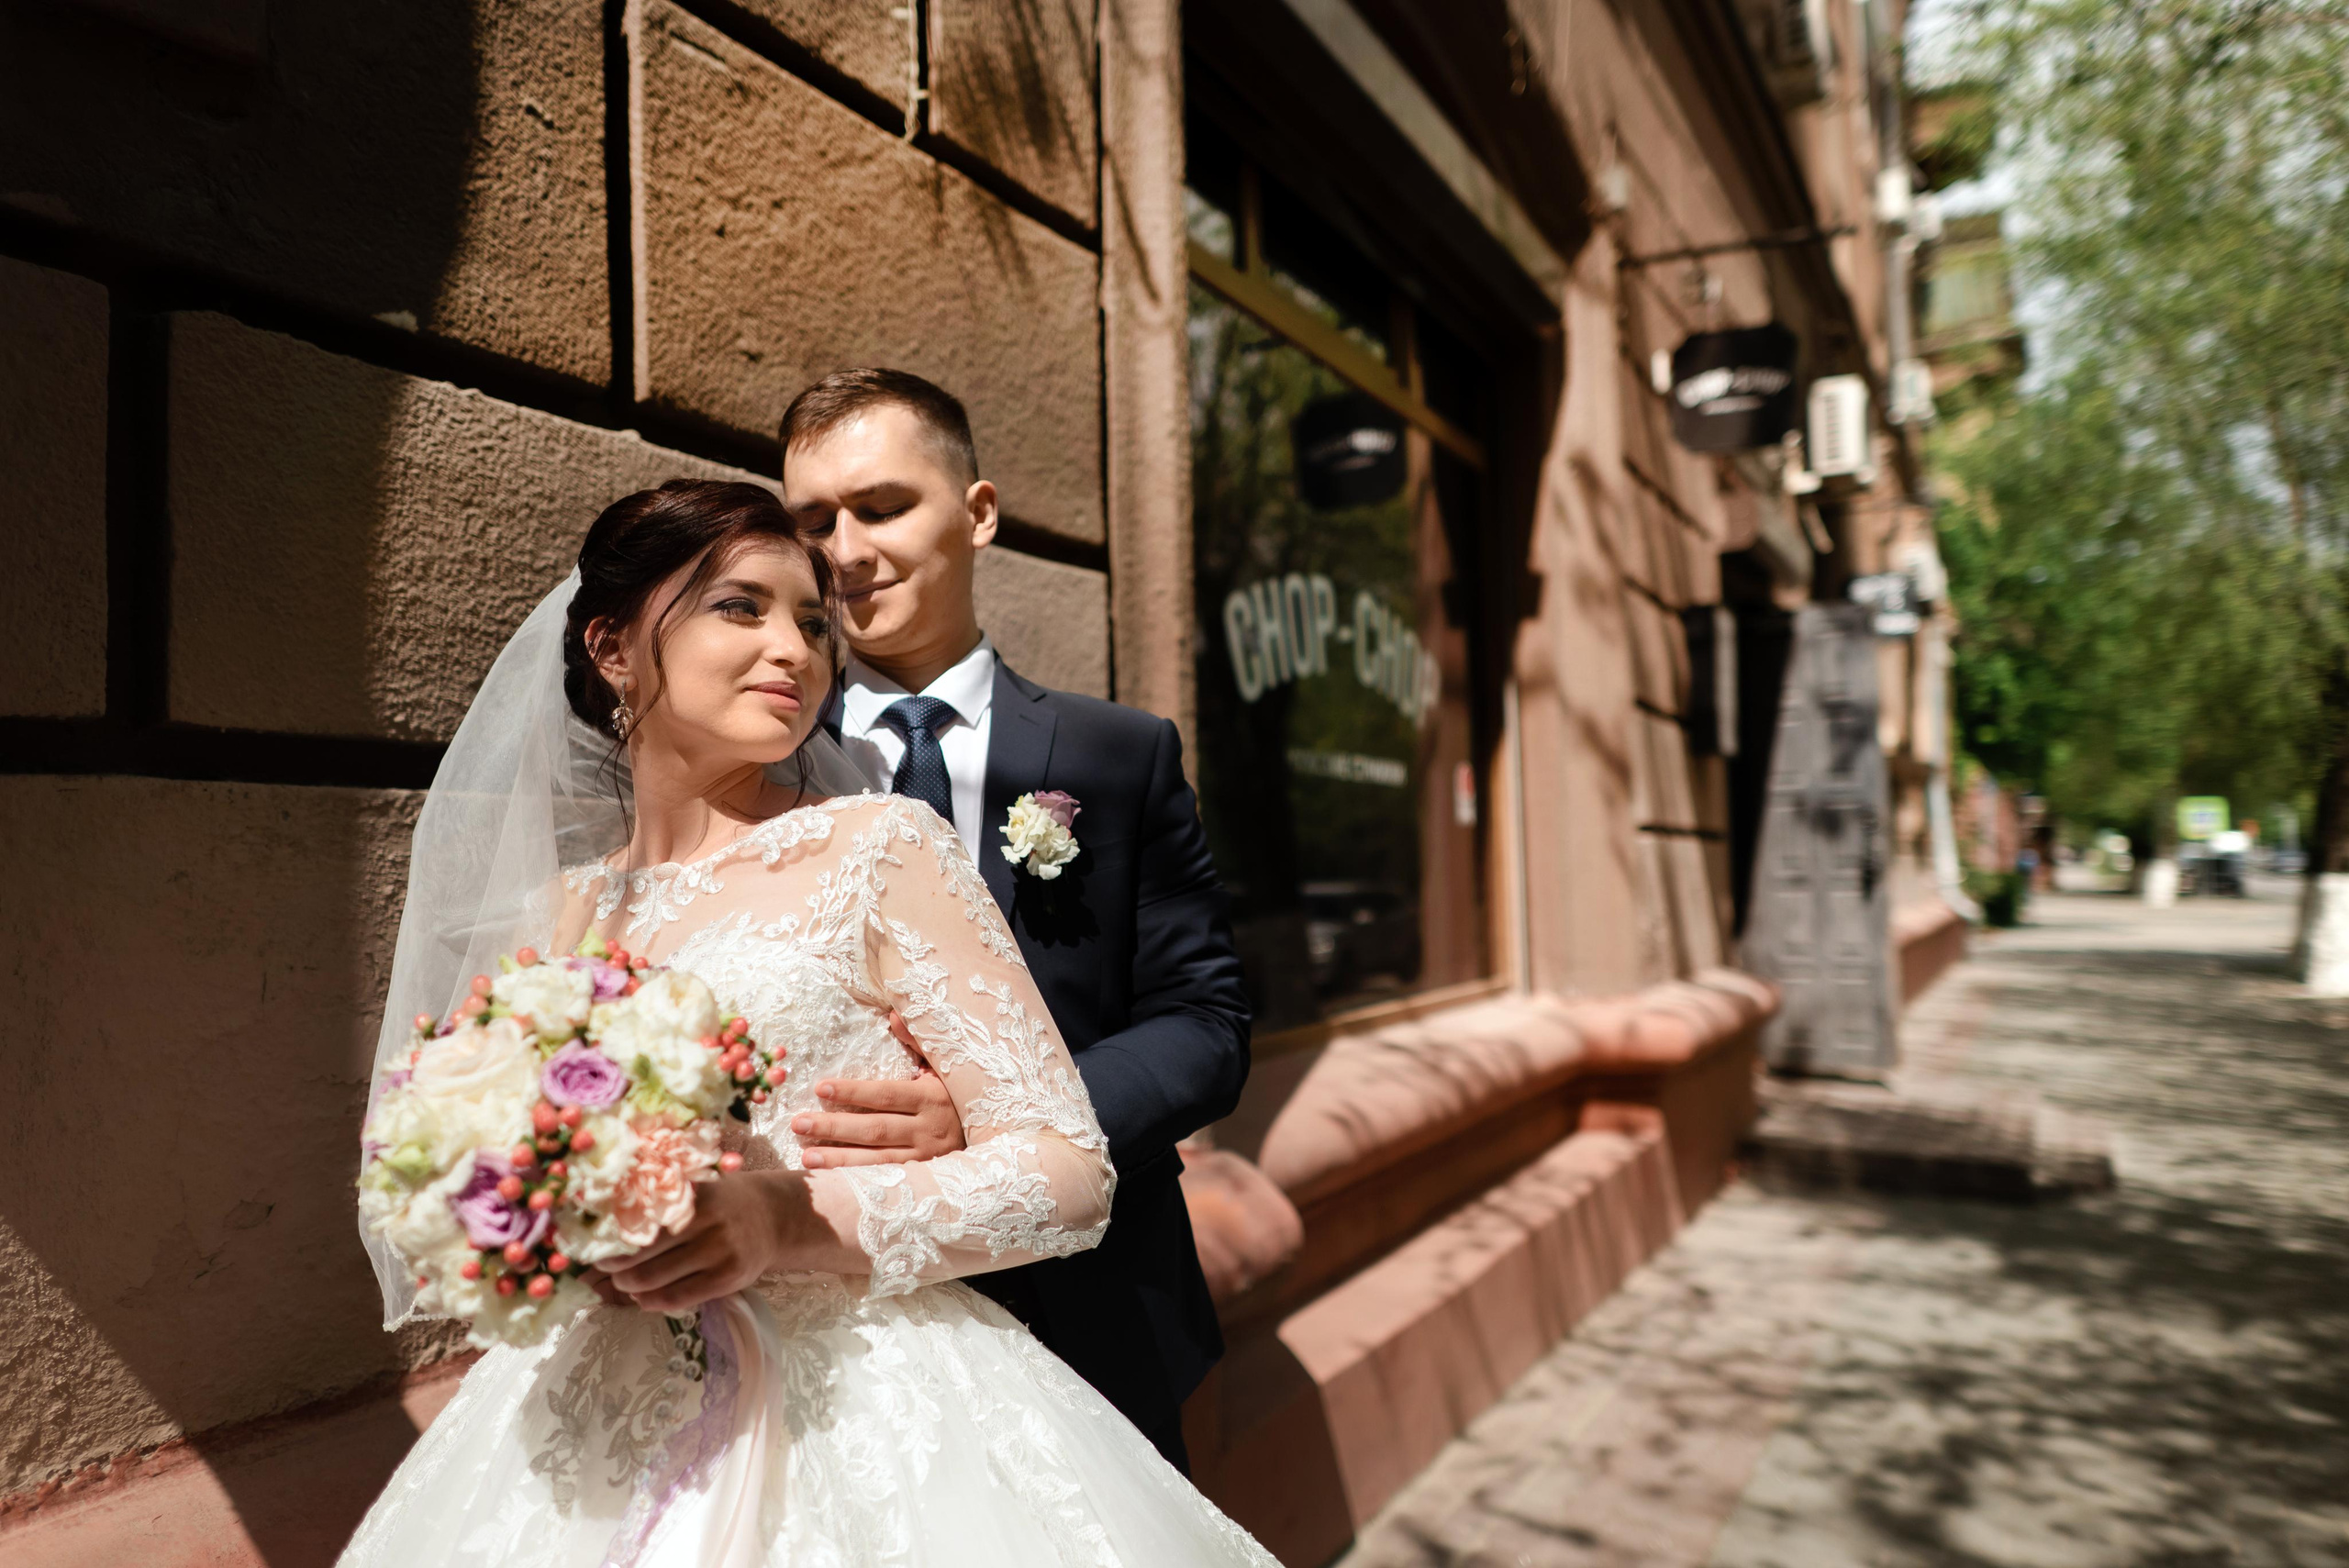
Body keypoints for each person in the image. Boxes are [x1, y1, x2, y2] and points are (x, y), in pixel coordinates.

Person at [339, 480, 1276, 1566]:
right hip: (589, 1424)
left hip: (863, 1410)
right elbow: (493, 1181)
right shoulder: (560, 916)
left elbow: (1068, 1173)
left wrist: (785, 1218)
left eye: (814, 623)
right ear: (610, 644)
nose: (795, 649)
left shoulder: (879, 848)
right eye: (741, 607)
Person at [776, 369, 1252, 1472]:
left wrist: (1000, 1119)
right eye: (813, 521)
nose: (843, 550)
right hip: (843, 1317)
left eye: (881, 506)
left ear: (978, 513)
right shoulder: (762, 760)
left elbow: (1206, 1021)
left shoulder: (1119, 755)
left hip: (1095, 1300)